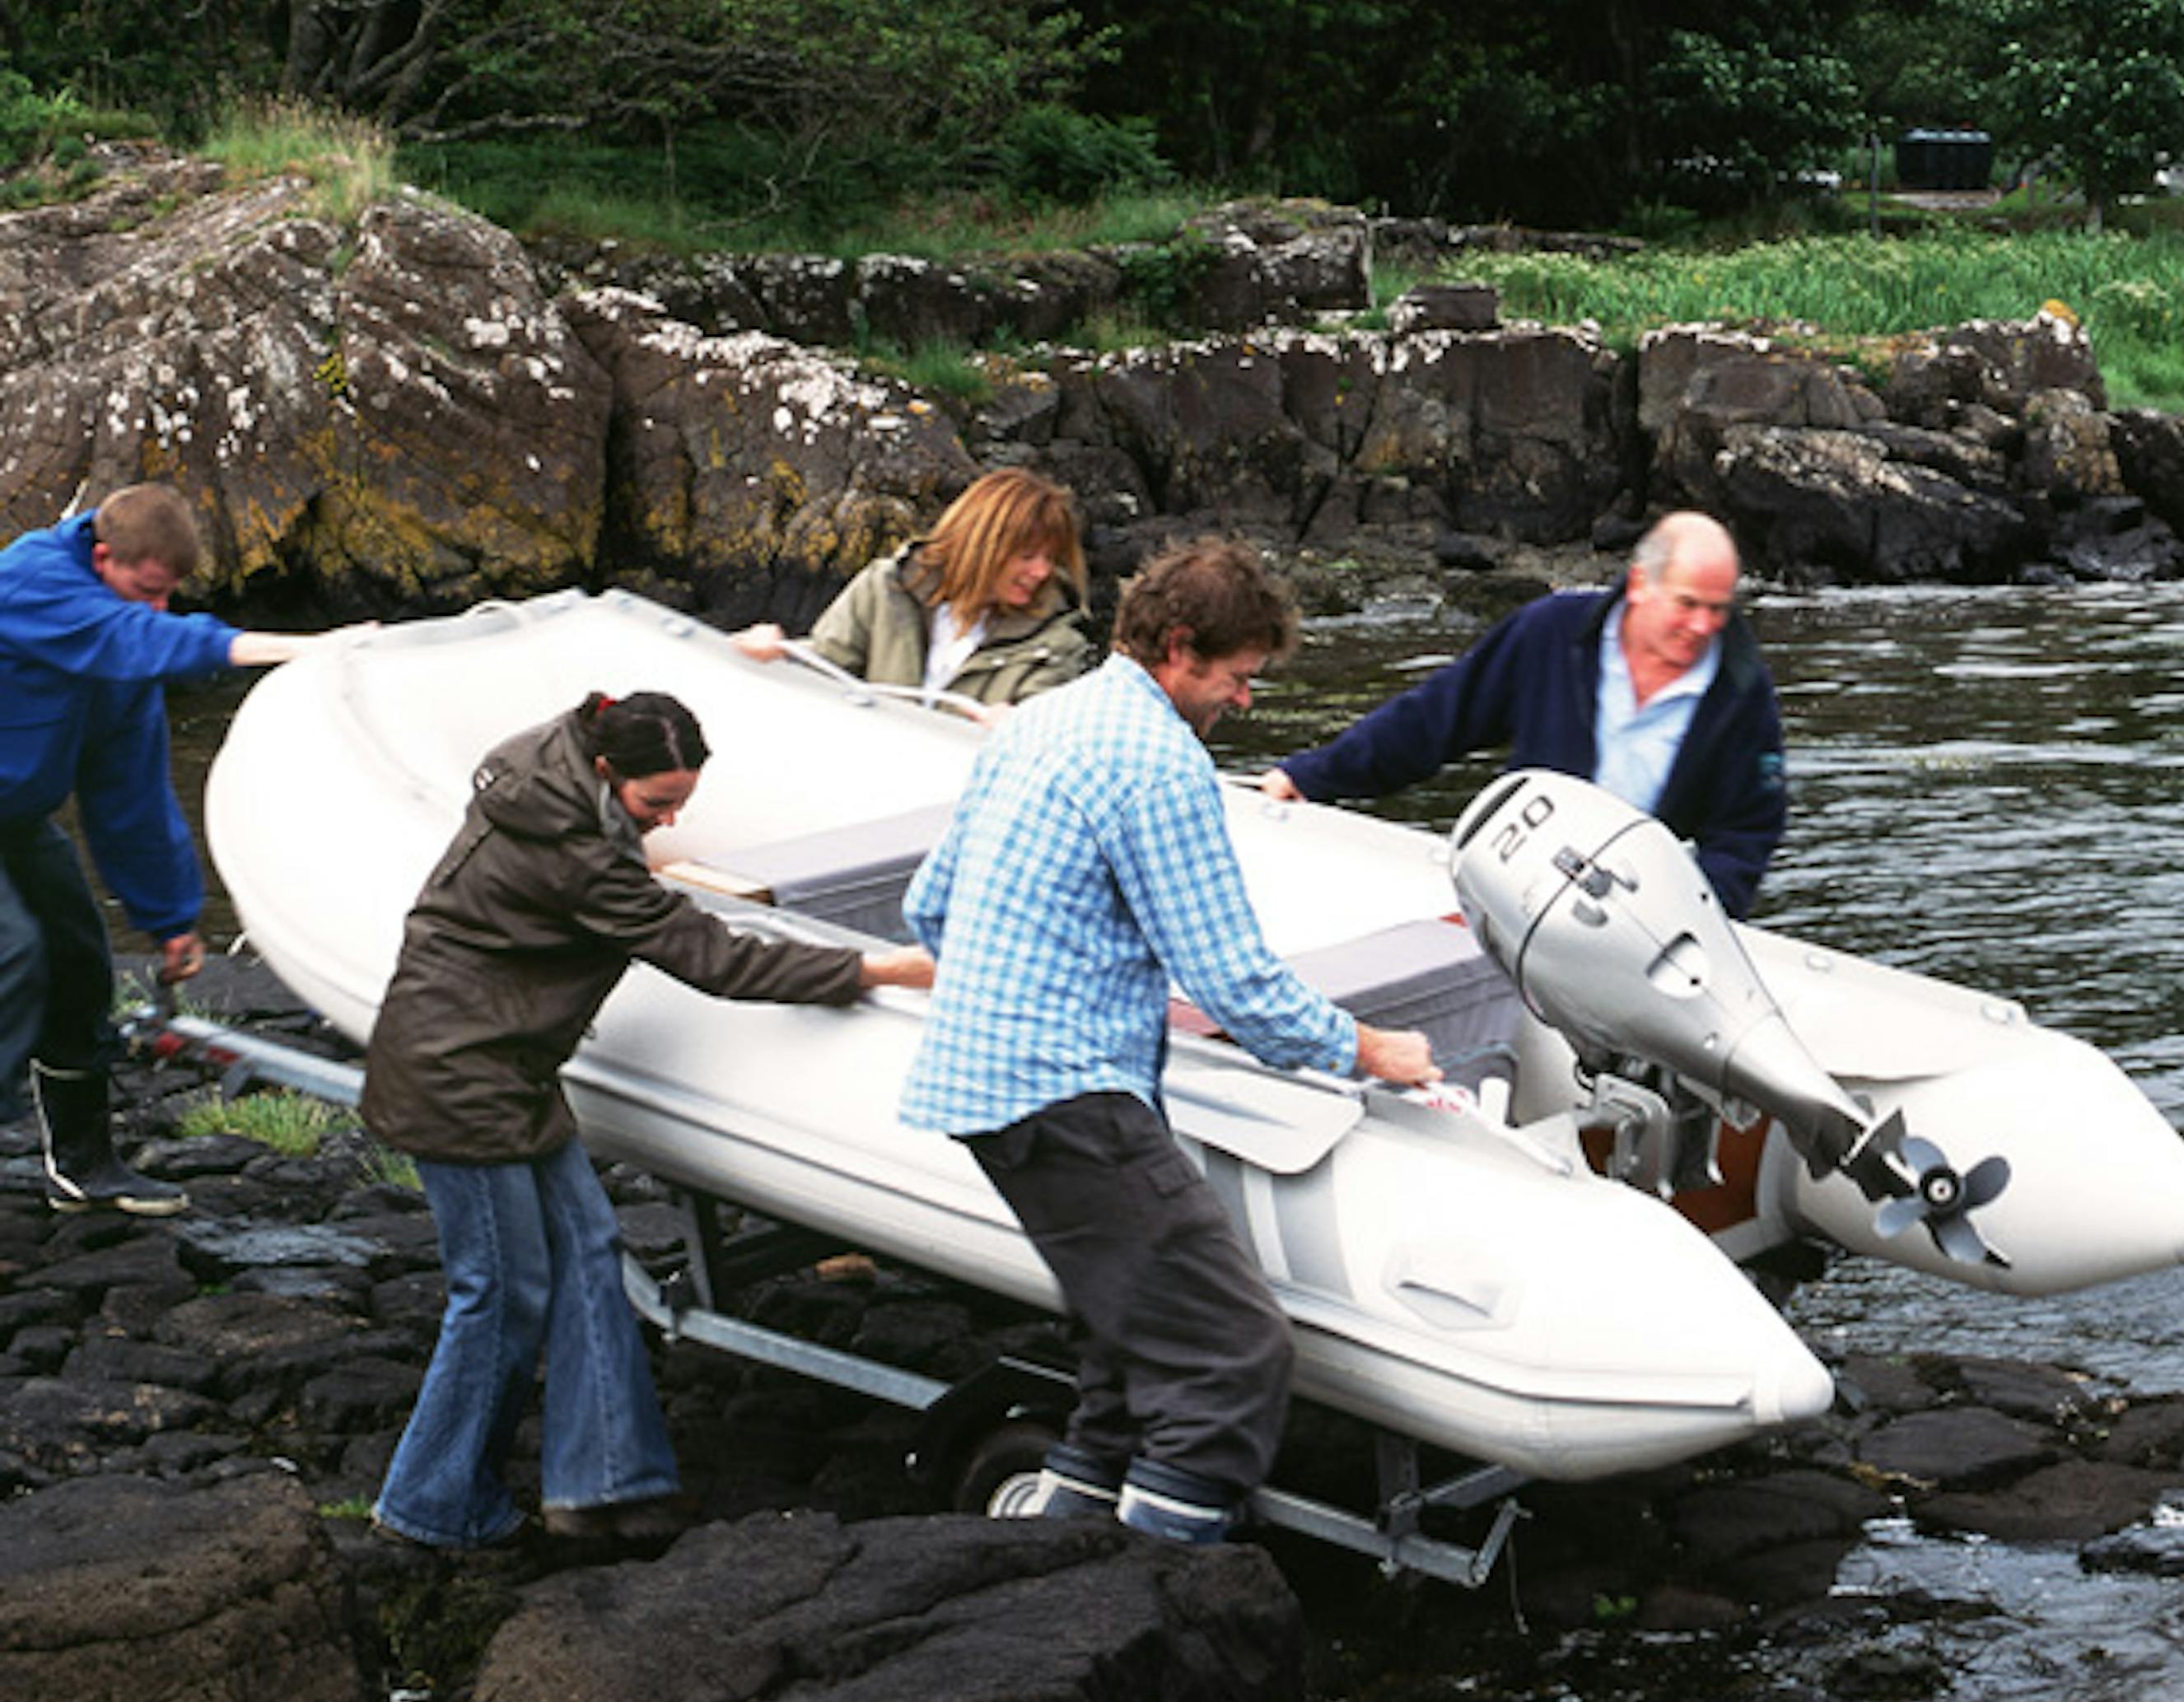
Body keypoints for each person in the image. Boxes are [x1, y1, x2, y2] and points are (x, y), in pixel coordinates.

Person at [900, 534, 1441, 1545]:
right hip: (1064, 1092)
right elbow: (1234, 979)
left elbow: (931, 904)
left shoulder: (1041, 719)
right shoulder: (1159, 762)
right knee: (1227, 1353)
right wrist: (1371, 1048)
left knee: (1125, 1340)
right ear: (1180, 648)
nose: (1245, 701)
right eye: (1238, 678)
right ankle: (1143, 1594)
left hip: (981, 1081)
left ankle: (1060, 1541)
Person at [360, 688, 935, 1556]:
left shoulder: (552, 770)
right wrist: (871, 970)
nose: (669, 822)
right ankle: (430, 1502)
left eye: (682, 803)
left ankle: (604, 1482)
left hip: (509, 1064)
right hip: (457, 1074)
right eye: (656, 804)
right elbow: (711, 956)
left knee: (590, 1247)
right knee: (501, 1293)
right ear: (604, 770)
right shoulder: (579, 854)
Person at [1, 483, 339, 1216]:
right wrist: (283, 648)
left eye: (168, 596)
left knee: (79, 963)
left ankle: (83, 1166)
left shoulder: (122, 645)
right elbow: (138, 638)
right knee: (12, 954)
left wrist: (171, 917)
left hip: (15, 821)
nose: (155, 609)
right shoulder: (30, 581)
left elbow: (130, 798)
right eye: (144, 590)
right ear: (101, 557)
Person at [1261, 509, 1787, 916]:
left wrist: (1697, 918)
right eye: (1687, 604)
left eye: (1718, 609)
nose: (1702, 626)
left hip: (1637, 925)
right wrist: (1312, 776)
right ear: (1639, 584)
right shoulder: (1549, 634)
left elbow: (1747, 830)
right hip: (1517, 893)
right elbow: (1433, 721)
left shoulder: (1741, 690)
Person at [734, 467, 1096, 720]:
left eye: (1051, 558)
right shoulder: (883, 588)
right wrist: (780, 653)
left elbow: (1048, 736)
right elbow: (827, 663)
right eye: (1028, 556)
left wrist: (1020, 728)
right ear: (980, 545)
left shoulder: (1057, 645)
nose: (1042, 572)